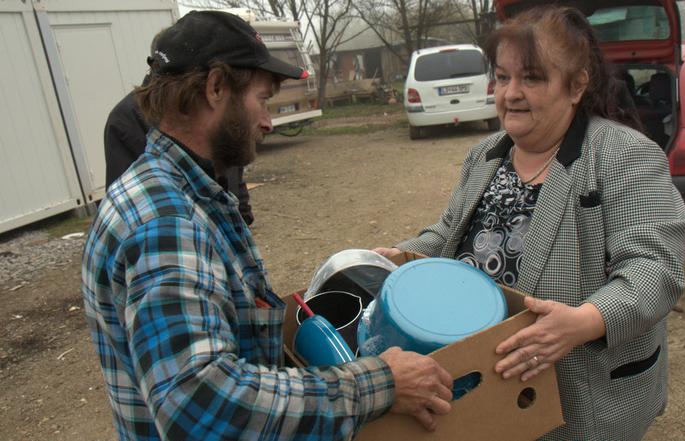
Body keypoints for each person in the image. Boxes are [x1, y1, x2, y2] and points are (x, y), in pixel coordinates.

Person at [82, 11, 452, 441]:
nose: (267, 122)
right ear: (215, 88)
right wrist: (381, 382)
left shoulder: (172, 189)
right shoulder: (166, 222)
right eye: (262, 100)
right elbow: (200, 401)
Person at [374, 5, 685, 440]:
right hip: (486, 378)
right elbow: (448, 232)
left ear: (576, 85)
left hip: (579, 395)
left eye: (532, 78)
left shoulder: (624, 154)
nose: (511, 94)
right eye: (503, 77)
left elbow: (656, 268)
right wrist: (402, 255)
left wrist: (583, 322)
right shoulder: (485, 154)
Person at [104, 73, 255, 225]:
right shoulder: (127, 116)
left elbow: (233, 170)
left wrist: (242, 214)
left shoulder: (210, 99)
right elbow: (129, 205)